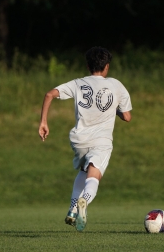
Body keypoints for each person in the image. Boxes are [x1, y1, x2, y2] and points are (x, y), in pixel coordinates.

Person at [38, 46, 132, 232]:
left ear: (88, 67)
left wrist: (43, 122)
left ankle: (73, 210)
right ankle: (84, 202)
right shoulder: (116, 85)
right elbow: (127, 116)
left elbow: (49, 94)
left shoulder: (78, 83)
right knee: (94, 176)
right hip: (101, 141)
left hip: (79, 140)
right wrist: (115, 110)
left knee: (83, 170)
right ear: (106, 67)